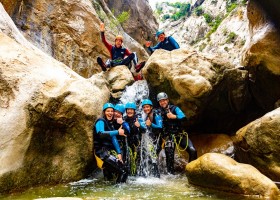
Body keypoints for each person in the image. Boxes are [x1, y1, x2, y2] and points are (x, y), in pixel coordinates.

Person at [156, 92, 197, 175]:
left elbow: (183, 117)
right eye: (160, 101)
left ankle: (190, 173)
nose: (162, 102)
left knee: (193, 151)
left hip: (180, 135)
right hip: (168, 137)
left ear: (167, 100)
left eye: (164, 100)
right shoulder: (158, 112)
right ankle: (170, 176)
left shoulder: (175, 108)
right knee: (169, 157)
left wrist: (174, 116)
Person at [93, 103, 128, 183]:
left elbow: (114, 139)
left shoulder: (110, 124)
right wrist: (117, 132)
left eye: (112, 111)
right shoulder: (100, 121)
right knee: (124, 171)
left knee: (109, 177)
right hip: (102, 152)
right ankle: (119, 191)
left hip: (107, 152)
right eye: (108, 111)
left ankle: (108, 191)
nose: (110, 113)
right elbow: (100, 134)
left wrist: (119, 153)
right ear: (104, 112)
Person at [139, 99, 162, 178]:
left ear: (151, 107)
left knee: (153, 158)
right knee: (149, 157)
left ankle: (156, 177)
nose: (146, 109)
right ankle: (148, 175)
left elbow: (160, 127)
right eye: (144, 107)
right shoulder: (145, 116)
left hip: (157, 141)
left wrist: (151, 124)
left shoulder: (156, 114)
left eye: (147, 107)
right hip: (150, 140)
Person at [124, 102, 145, 176]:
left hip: (137, 144)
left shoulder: (138, 118)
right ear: (126, 111)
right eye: (128, 110)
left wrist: (139, 126)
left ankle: (139, 175)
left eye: (131, 110)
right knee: (129, 161)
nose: (129, 111)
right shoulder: (124, 119)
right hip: (128, 144)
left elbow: (144, 130)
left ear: (134, 111)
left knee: (138, 161)